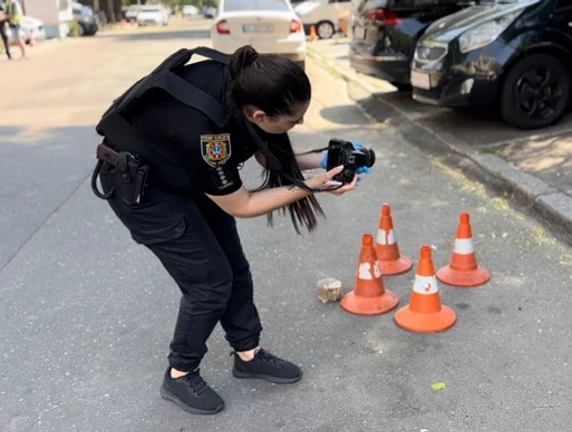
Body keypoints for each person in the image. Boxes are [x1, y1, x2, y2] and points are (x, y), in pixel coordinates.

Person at [92, 45, 368, 415]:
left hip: (183, 170)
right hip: (145, 188)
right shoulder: (206, 136)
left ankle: (248, 353)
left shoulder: (246, 80)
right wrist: (312, 186)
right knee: (209, 282)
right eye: (292, 121)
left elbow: (261, 148)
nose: (297, 126)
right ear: (259, 114)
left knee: (233, 265)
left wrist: (323, 160)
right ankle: (179, 372)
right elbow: (243, 204)